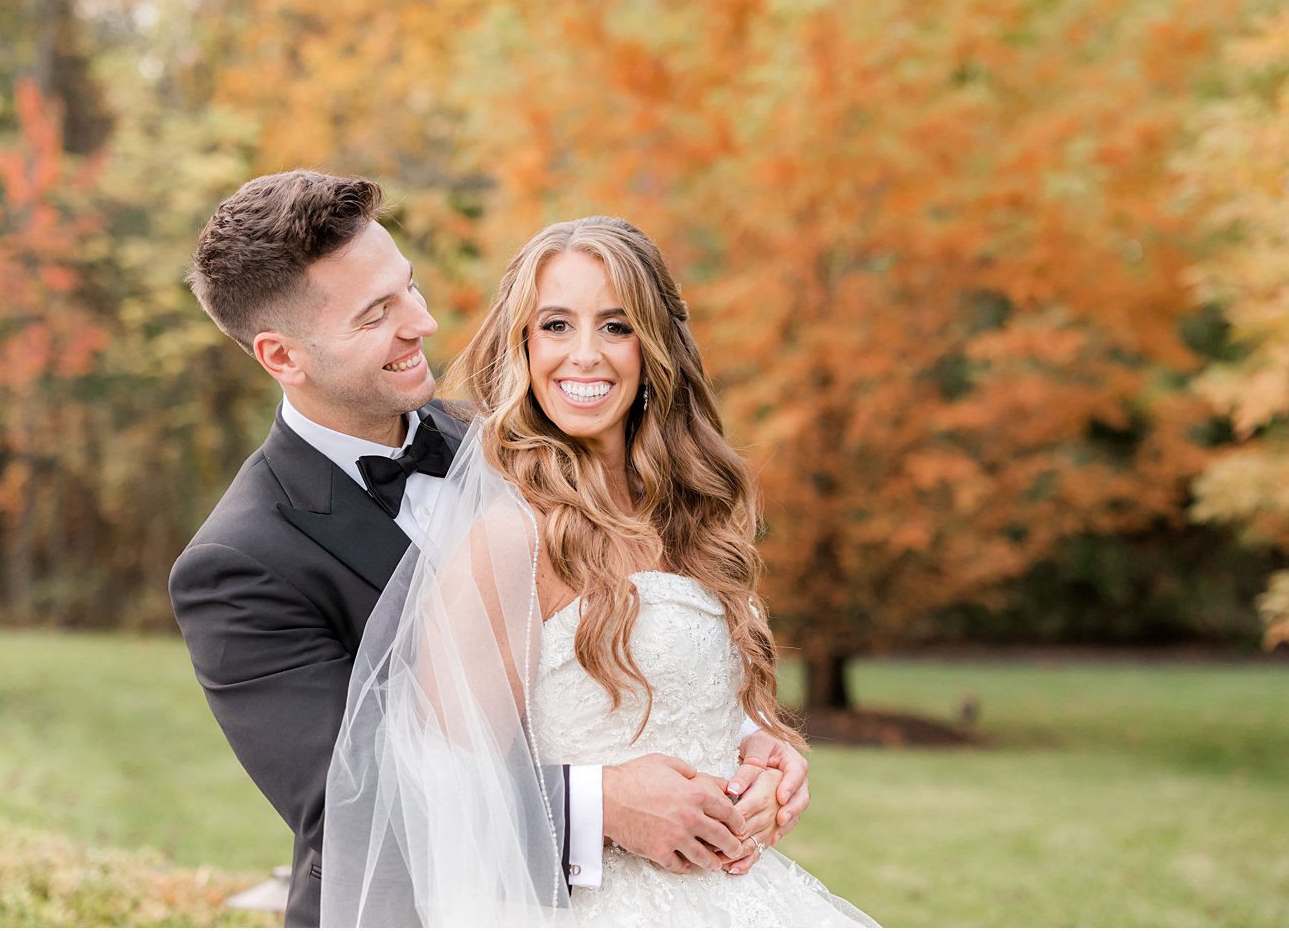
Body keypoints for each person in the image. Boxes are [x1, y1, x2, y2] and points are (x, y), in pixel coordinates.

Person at [169, 172, 815, 928]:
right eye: (378, 313)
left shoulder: (528, 438)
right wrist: (600, 802)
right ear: (283, 356)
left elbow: (634, 624)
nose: (425, 321)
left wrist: (749, 744)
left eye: (407, 287)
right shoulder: (239, 562)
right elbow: (360, 804)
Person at [322, 215, 878, 926]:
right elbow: (447, 797)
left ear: (655, 348)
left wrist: (761, 754)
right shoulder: (506, 540)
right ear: (522, 342)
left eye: (616, 326)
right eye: (555, 325)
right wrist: (606, 801)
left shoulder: (694, 518)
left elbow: (697, 697)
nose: (585, 355)